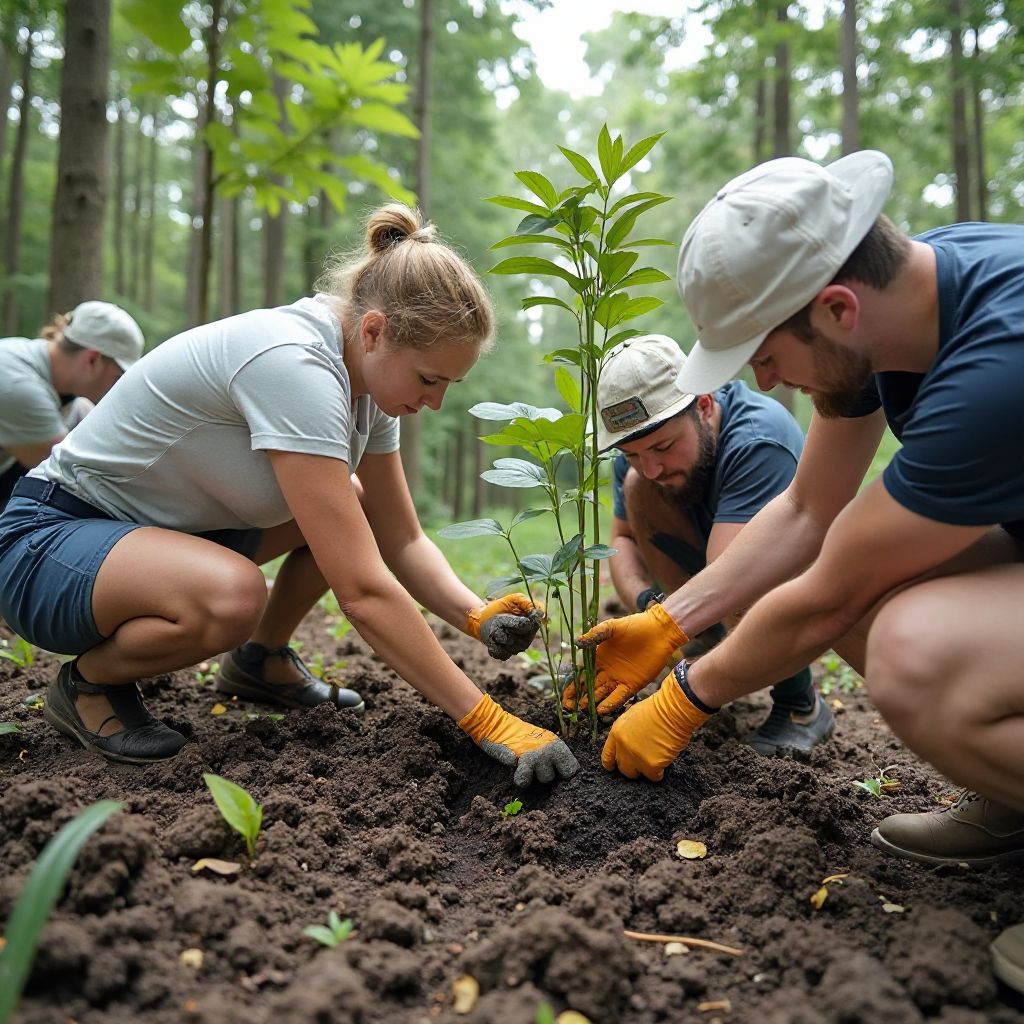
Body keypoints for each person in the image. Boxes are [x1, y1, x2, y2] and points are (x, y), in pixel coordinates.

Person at [572, 151, 1024, 989]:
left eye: (767, 357)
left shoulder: (999, 366)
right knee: (856, 571)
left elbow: (825, 597)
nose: (764, 381)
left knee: (915, 651)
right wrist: (669, 622)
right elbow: (809, 516)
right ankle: (1012, 796)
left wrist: (685, 697)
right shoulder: (904, 312)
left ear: (837, 308)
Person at [0, 204, 578, 788]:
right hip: (46, 545)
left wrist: (474, 615)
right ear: (373, 329)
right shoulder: (294, 364)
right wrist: (487, 720)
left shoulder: (369, 383)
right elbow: (361, 589)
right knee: (231, 596)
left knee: (347, 499)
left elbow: (400, 537)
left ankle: (259, 662)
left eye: (449, 385)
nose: (436, 402)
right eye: (429, 379)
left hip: (144, 543)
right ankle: (89, 684)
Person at [563, 332, 831, 755]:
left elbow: (733, 580)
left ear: (703, 406)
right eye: (632, 454)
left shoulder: (759, 440)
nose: (650, 466)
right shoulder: (641, 460)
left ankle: (801, 703)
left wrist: (684, 696)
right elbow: (622, 539)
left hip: (795, 581)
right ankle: (705, 641)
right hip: (711, 579)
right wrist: (651, 608)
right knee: (638, 488)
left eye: (663, 446)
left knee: (737, 573)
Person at [0, 301, 145, 506]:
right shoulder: (19, 386)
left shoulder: (53, 381)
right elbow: (72, 479)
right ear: (92, 359)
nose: (118, 387)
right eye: (118, 377)